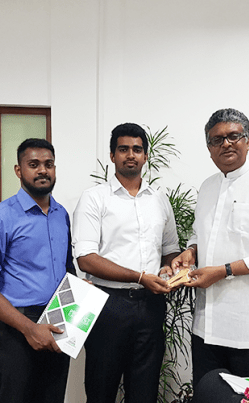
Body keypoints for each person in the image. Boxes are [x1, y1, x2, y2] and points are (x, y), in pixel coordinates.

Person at [172, 108, 249, 389]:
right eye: (217, 140)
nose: (226, 144)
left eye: (234, 136)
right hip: (206, 328)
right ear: (209, 149)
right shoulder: (207, 187)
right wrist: (190, 251)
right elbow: (200, 235)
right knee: (207, 395)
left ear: (248, 141)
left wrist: (224, 271)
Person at [72, 123, 181, 403]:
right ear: (112, 155)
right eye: (123, 149)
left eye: (137, 149)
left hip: (151, 306)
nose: (130, 155)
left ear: (145, 156)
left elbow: (170, 250)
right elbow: (86, 259)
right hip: (108, 306)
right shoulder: (94, 198)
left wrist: (169, 267)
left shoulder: (159, 199)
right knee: (101, 390)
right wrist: (140, 276)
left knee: (145, 392)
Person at [0, 138, 74, 403]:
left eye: (49, 164)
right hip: (16, 329)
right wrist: (29, 329)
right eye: (33, 164)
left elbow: (67, 268)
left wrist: (82, 290)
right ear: (19, 170)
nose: (43, 170)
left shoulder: (61, 214)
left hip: (57, 324)